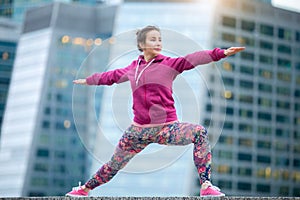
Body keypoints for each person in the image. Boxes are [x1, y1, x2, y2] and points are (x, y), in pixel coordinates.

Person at [66, 25, 245, 197]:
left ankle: (206, 185)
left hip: (166, 128)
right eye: (153, 39)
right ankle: (85, 189)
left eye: (160, 39)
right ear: (142, 45)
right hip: (137, 132)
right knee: (114, 164)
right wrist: (89, 80)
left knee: (200, 132)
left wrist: (220, 53)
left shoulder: (169, 64)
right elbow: (110, 77)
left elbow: (193, 59)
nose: (158, 43)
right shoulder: (132, 69)